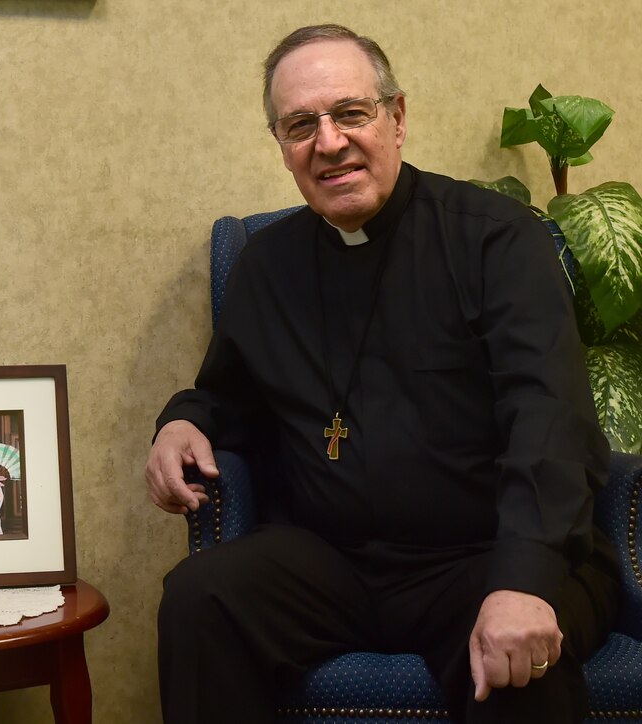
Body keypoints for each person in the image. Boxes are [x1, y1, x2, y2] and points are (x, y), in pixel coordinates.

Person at [144, 24, 619, 724]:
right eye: (300, 124)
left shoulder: (496, 238)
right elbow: (226, 395)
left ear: (397, 118)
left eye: (351, 113)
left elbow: (550, 420)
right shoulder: (266, 266)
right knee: (199, 599)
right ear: (281, 146)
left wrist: (524, 581)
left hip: (486, 551)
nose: (328, 142)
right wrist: (183, 421)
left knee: (519, 666)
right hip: (334, 563)